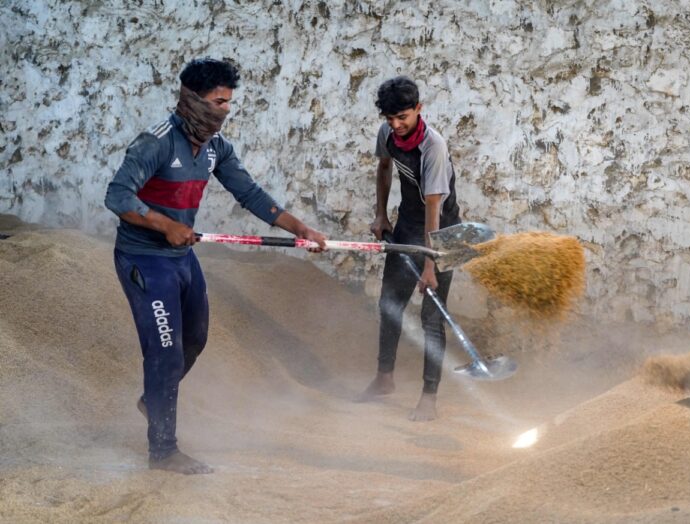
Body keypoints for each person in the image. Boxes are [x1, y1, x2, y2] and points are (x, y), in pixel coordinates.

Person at [105, 58, 326, 474]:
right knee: (165, 354)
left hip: (182, 259)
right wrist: (165, 224)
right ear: (192, 100)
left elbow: (252, 194)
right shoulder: (154, 143)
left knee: (196, 340)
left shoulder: (216, 149)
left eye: (228, 103)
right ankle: (163, 452)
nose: (224, 111)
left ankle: (154, 399)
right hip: (143, 260)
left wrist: (301, 229)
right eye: (218, 102)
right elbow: (118, 197)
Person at [357, 76, 461, 421]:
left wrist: (430, 266)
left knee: (432, 318)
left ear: (419, 109)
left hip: (444, 232)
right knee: (390, 303)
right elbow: (384, 169)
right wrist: (381, 214)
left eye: (402, 117)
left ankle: (429, 398)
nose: (396, 126)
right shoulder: (388, 135)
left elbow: (434, 208)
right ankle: (384, 378)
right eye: (389, 119)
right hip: (407, 226)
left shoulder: (434, 147)